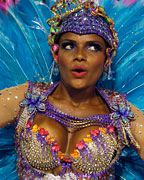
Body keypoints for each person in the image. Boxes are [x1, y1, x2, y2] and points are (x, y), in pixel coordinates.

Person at [0, 0, 144, 179]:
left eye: (93, 47)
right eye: (69, 46)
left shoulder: (123, 114)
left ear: (106, 59)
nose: (80, 56)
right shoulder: (26, 98)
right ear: (56, 54)